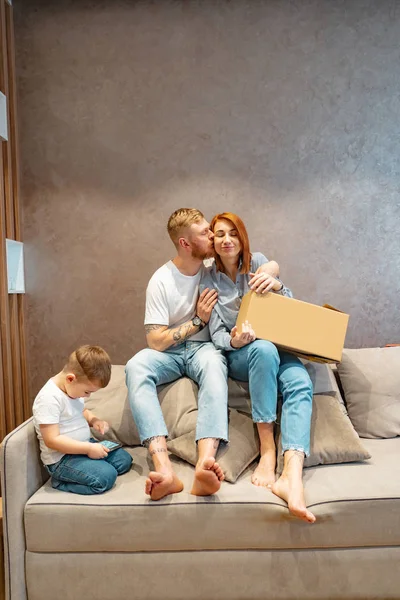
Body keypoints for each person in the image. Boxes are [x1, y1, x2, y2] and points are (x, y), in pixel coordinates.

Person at [126, 208, 279, 501]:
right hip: (170, 351)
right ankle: (164, 470)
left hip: (204, 349)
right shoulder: (161, 280)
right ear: (185, 243)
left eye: (213, 231)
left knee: (213, 366)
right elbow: (155, 341)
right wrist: (197, 321)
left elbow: (255, 258)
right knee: (135, 366)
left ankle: (204, 465)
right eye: (206, 233)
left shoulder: (213, 265)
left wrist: (272, 268)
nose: (213, 236)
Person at [201, 212, 315, 523]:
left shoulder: (258, 261)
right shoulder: (207, 278)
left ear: (242, 238)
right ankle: (267, 452)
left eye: (233, 233)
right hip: (242, 356)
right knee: (261, 349)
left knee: (300, 380)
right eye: (220, 234)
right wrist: (236, 341)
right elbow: (217, 335)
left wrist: (276, 282)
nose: (227, 240)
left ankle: (291, 474)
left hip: (277, 347)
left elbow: (288, 303)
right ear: (212, 240)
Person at [32, 345, 133, 495]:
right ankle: (60, 482)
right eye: (87, 392)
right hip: (63, 459)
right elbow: (52, 440)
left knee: (124, 461)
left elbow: (82, 411)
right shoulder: (48, 399)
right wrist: (89, 449)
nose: (87, 396)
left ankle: (91, 466)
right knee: (106, 477)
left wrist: (94, 420)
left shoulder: (73, 391)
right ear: (70, 379)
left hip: (84, 446)